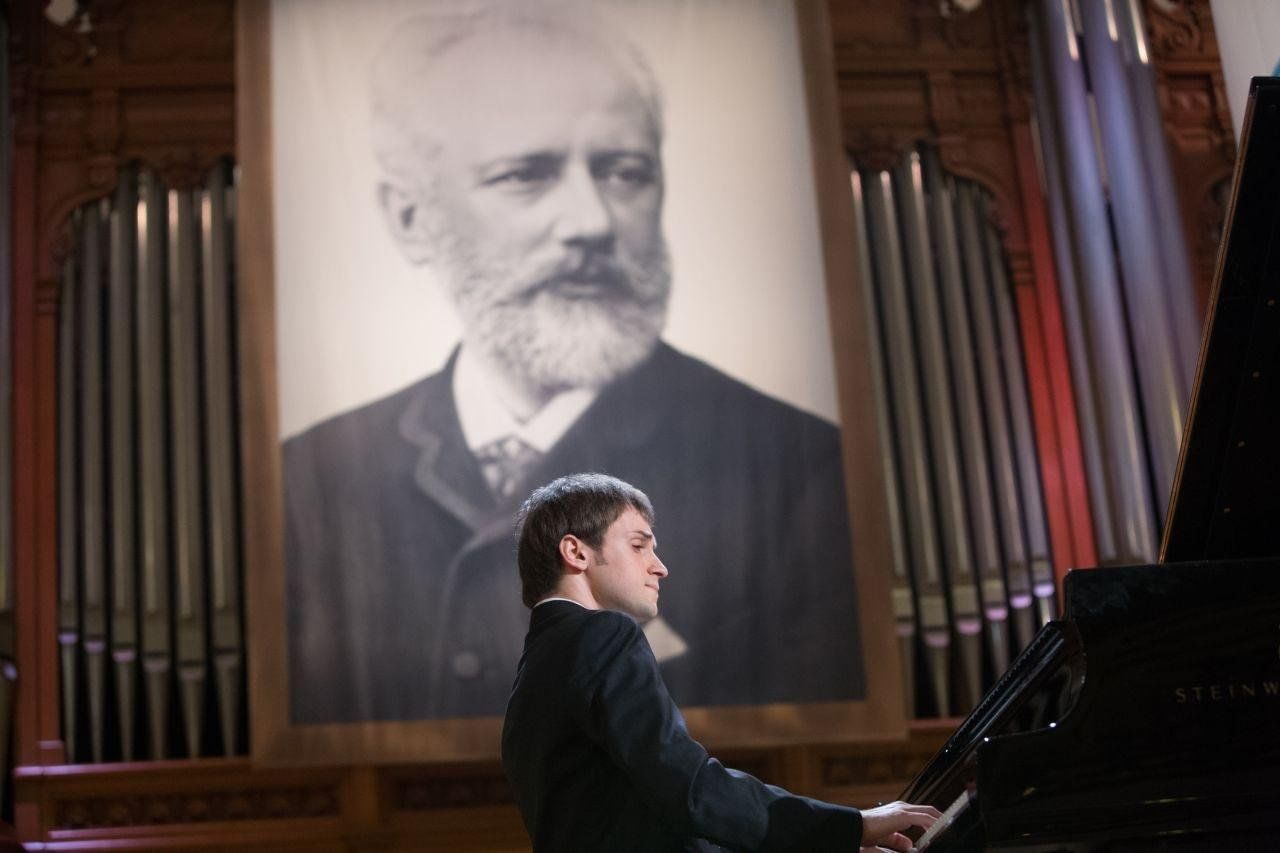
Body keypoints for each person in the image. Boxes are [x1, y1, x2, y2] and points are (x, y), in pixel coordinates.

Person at [284, 3, 864, 723]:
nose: (590, 222)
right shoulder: (306, 480)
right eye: (525, 175)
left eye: (624, 172)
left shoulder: (795, 468)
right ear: (411, 219)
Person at [503, 474, 939, 852]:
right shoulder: (602, 634)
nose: (661, 568)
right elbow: (690, 789)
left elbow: (641, 823)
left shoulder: (535, 669)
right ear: (576, 553)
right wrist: (852, 827)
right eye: (639, 546)